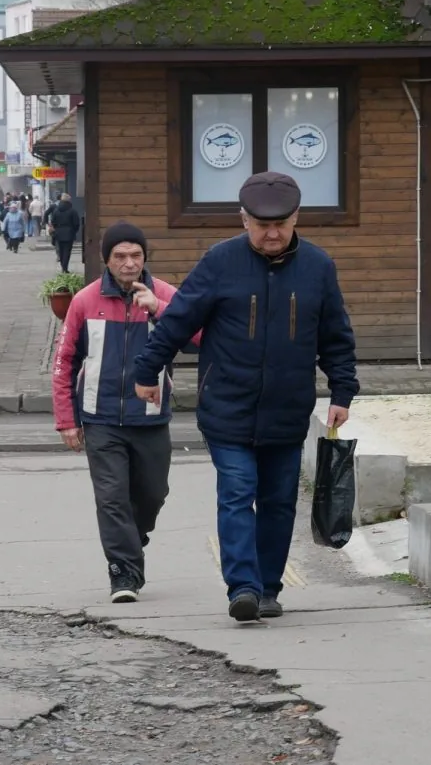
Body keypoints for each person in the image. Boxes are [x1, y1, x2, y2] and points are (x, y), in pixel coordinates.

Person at [132, 171, 359, 623]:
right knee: (237, 492)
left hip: (287, 409)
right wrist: (147, 368)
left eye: (281, 224)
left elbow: (335, 335)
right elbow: (178, 320)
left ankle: (268, 588)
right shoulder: (220, 262)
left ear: (296, 218)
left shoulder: (318, 267)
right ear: (243, 219)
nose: (272, 234)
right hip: (227, 406)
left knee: (278, 501)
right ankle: (243, 588)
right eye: (261, 225)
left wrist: (342, 389)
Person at [52, 221, 200, 603]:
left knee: (153, 495)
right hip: (100, 418)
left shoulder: (165, 294)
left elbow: (201, 337)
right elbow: (64, 361)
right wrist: (67, 419)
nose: (129, 263)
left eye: (136, 255)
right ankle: (124, 574)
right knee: (112, 498)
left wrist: (160, 310)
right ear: (107, 260)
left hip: (150, 416)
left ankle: (132, 540)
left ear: (145, 258)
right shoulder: (85, 301)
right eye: (120, 256)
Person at [49, 193, 81, 272]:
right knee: (67, 251)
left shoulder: (56, 210)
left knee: (61, 250)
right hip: (69, 233)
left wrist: (56, 229)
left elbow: (53, 221)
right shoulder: (72, 211)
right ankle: (65, 267)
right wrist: (74, 231)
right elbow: (76, 223)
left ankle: (63, 266)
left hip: (58, 233)